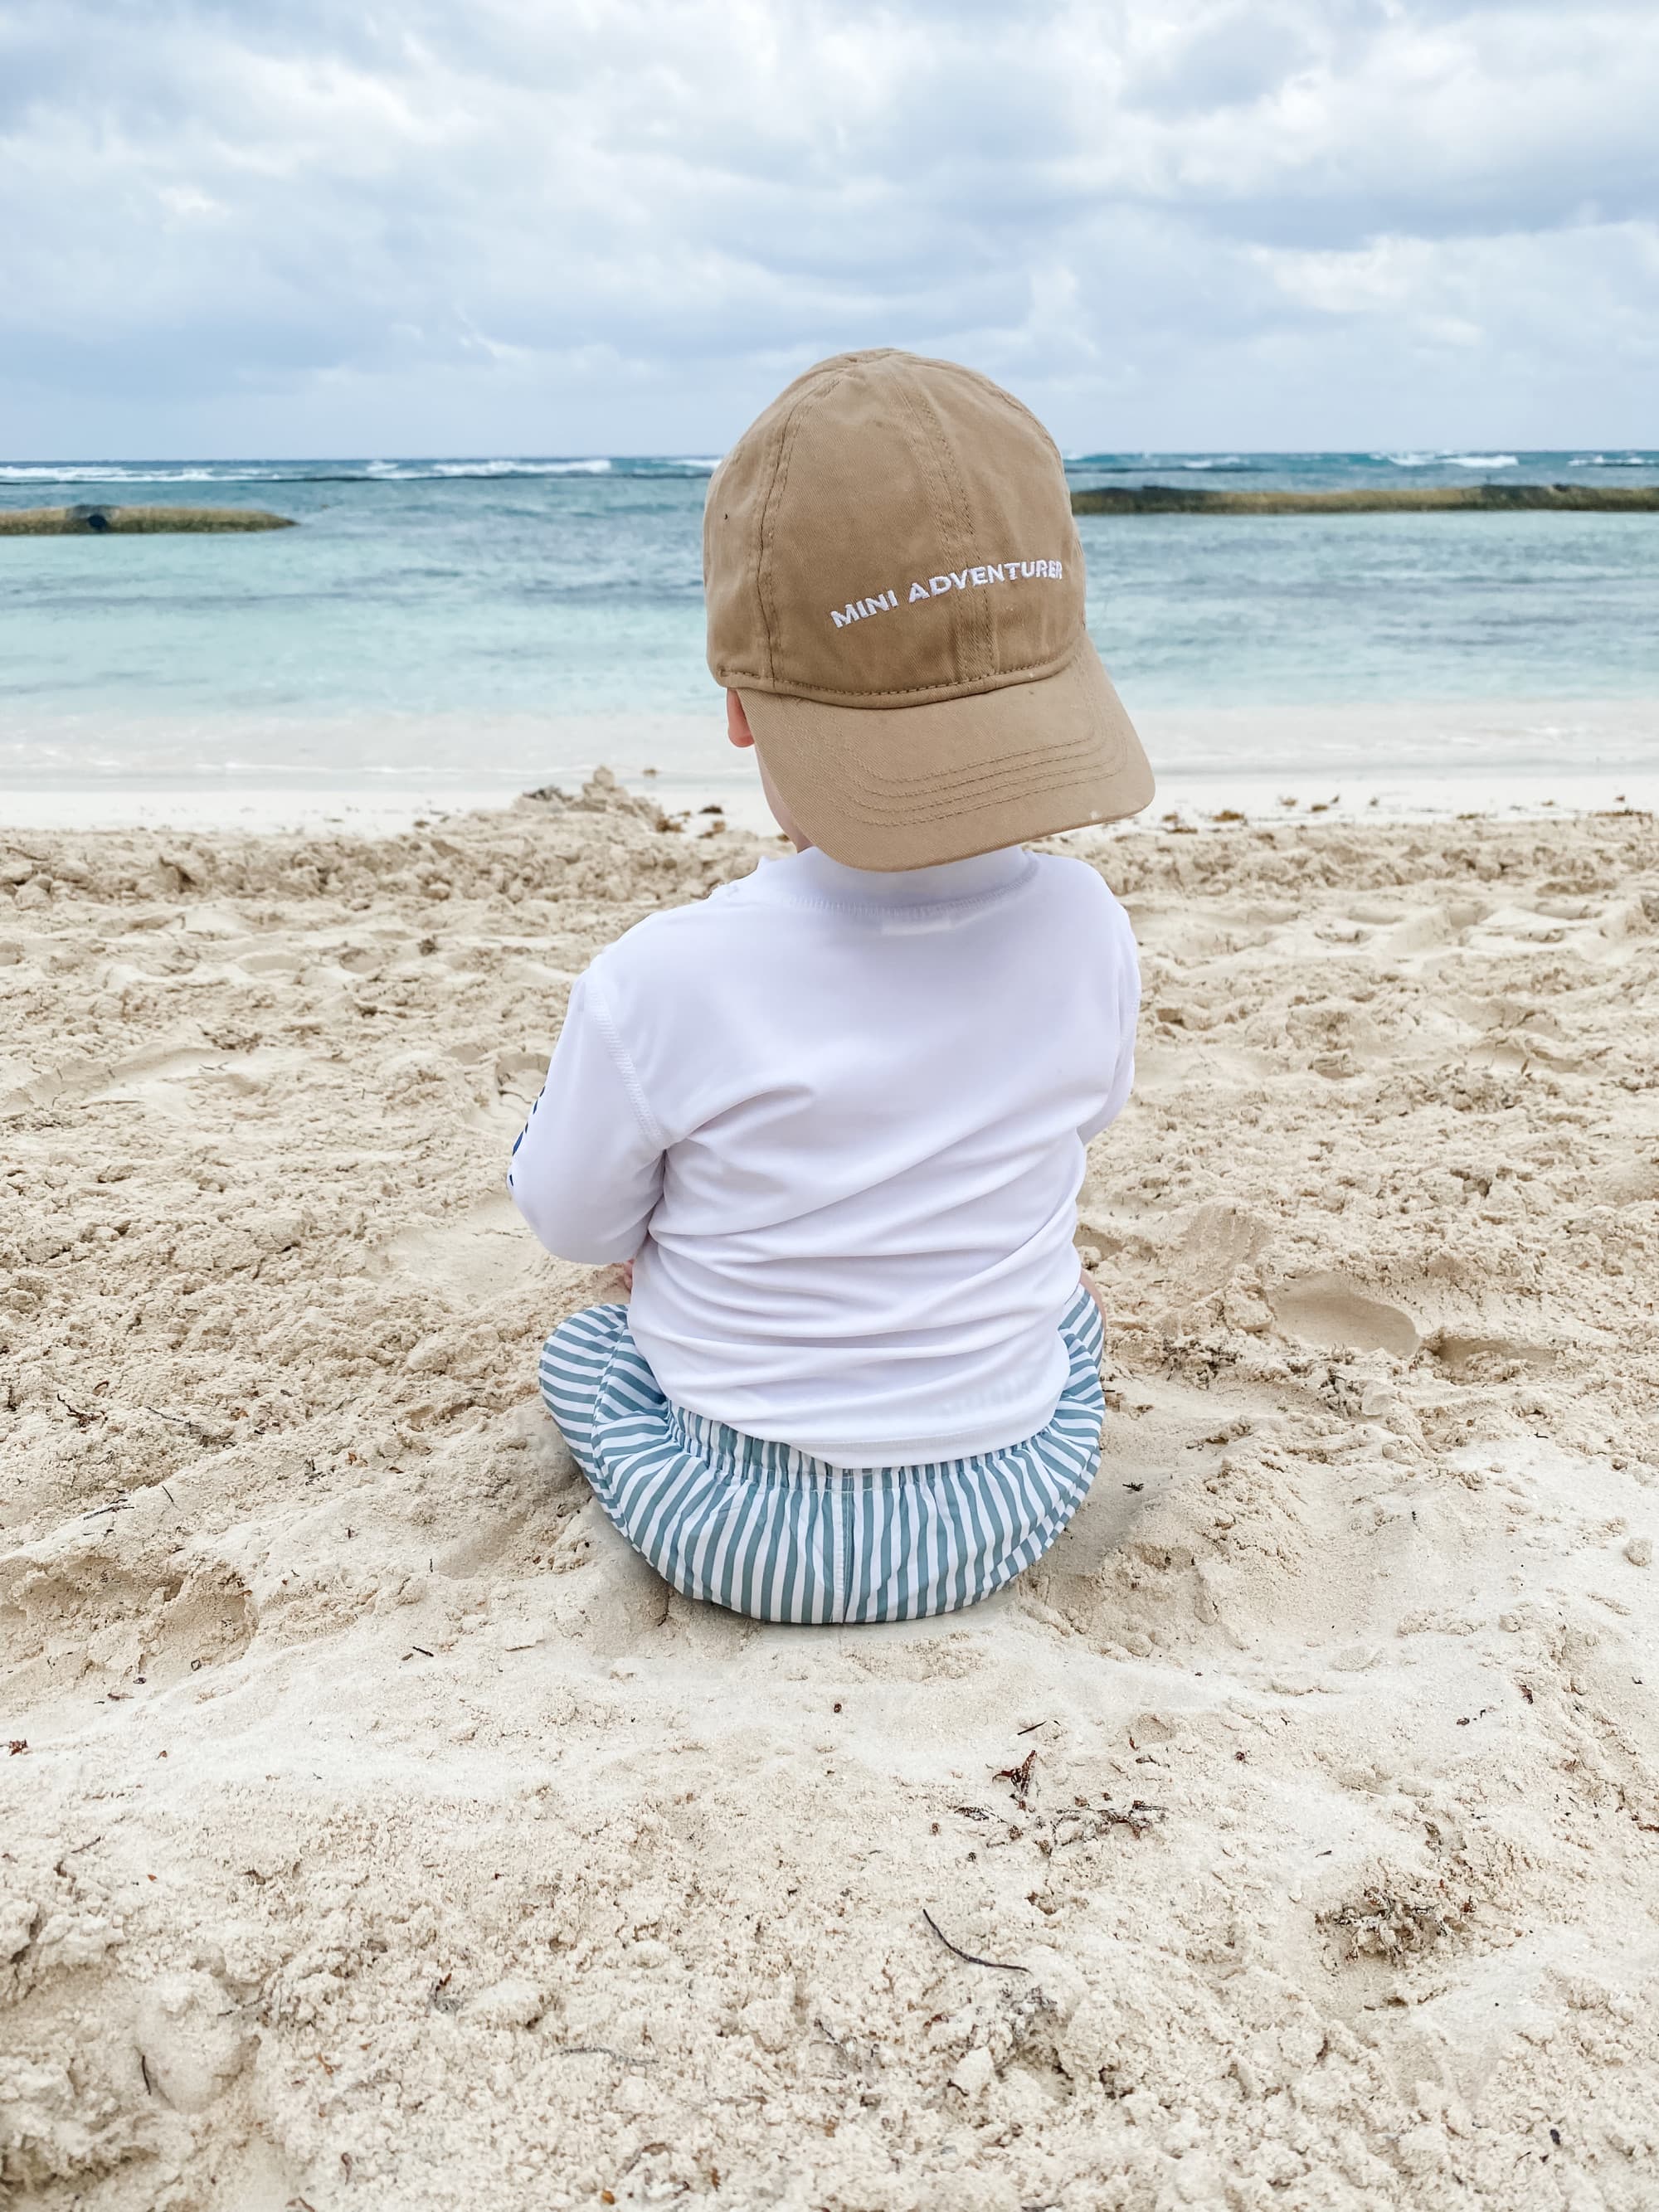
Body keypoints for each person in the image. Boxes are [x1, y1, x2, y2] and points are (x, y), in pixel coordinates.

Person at [509, 348, 1153, 1626]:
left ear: (742, 706)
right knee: (1069, 1319)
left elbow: (577, 1228)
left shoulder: (659, 981)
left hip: (742, 1530)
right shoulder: (1087, 922)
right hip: (1016, 1491)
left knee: (584, 1349)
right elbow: (1082, 1120)